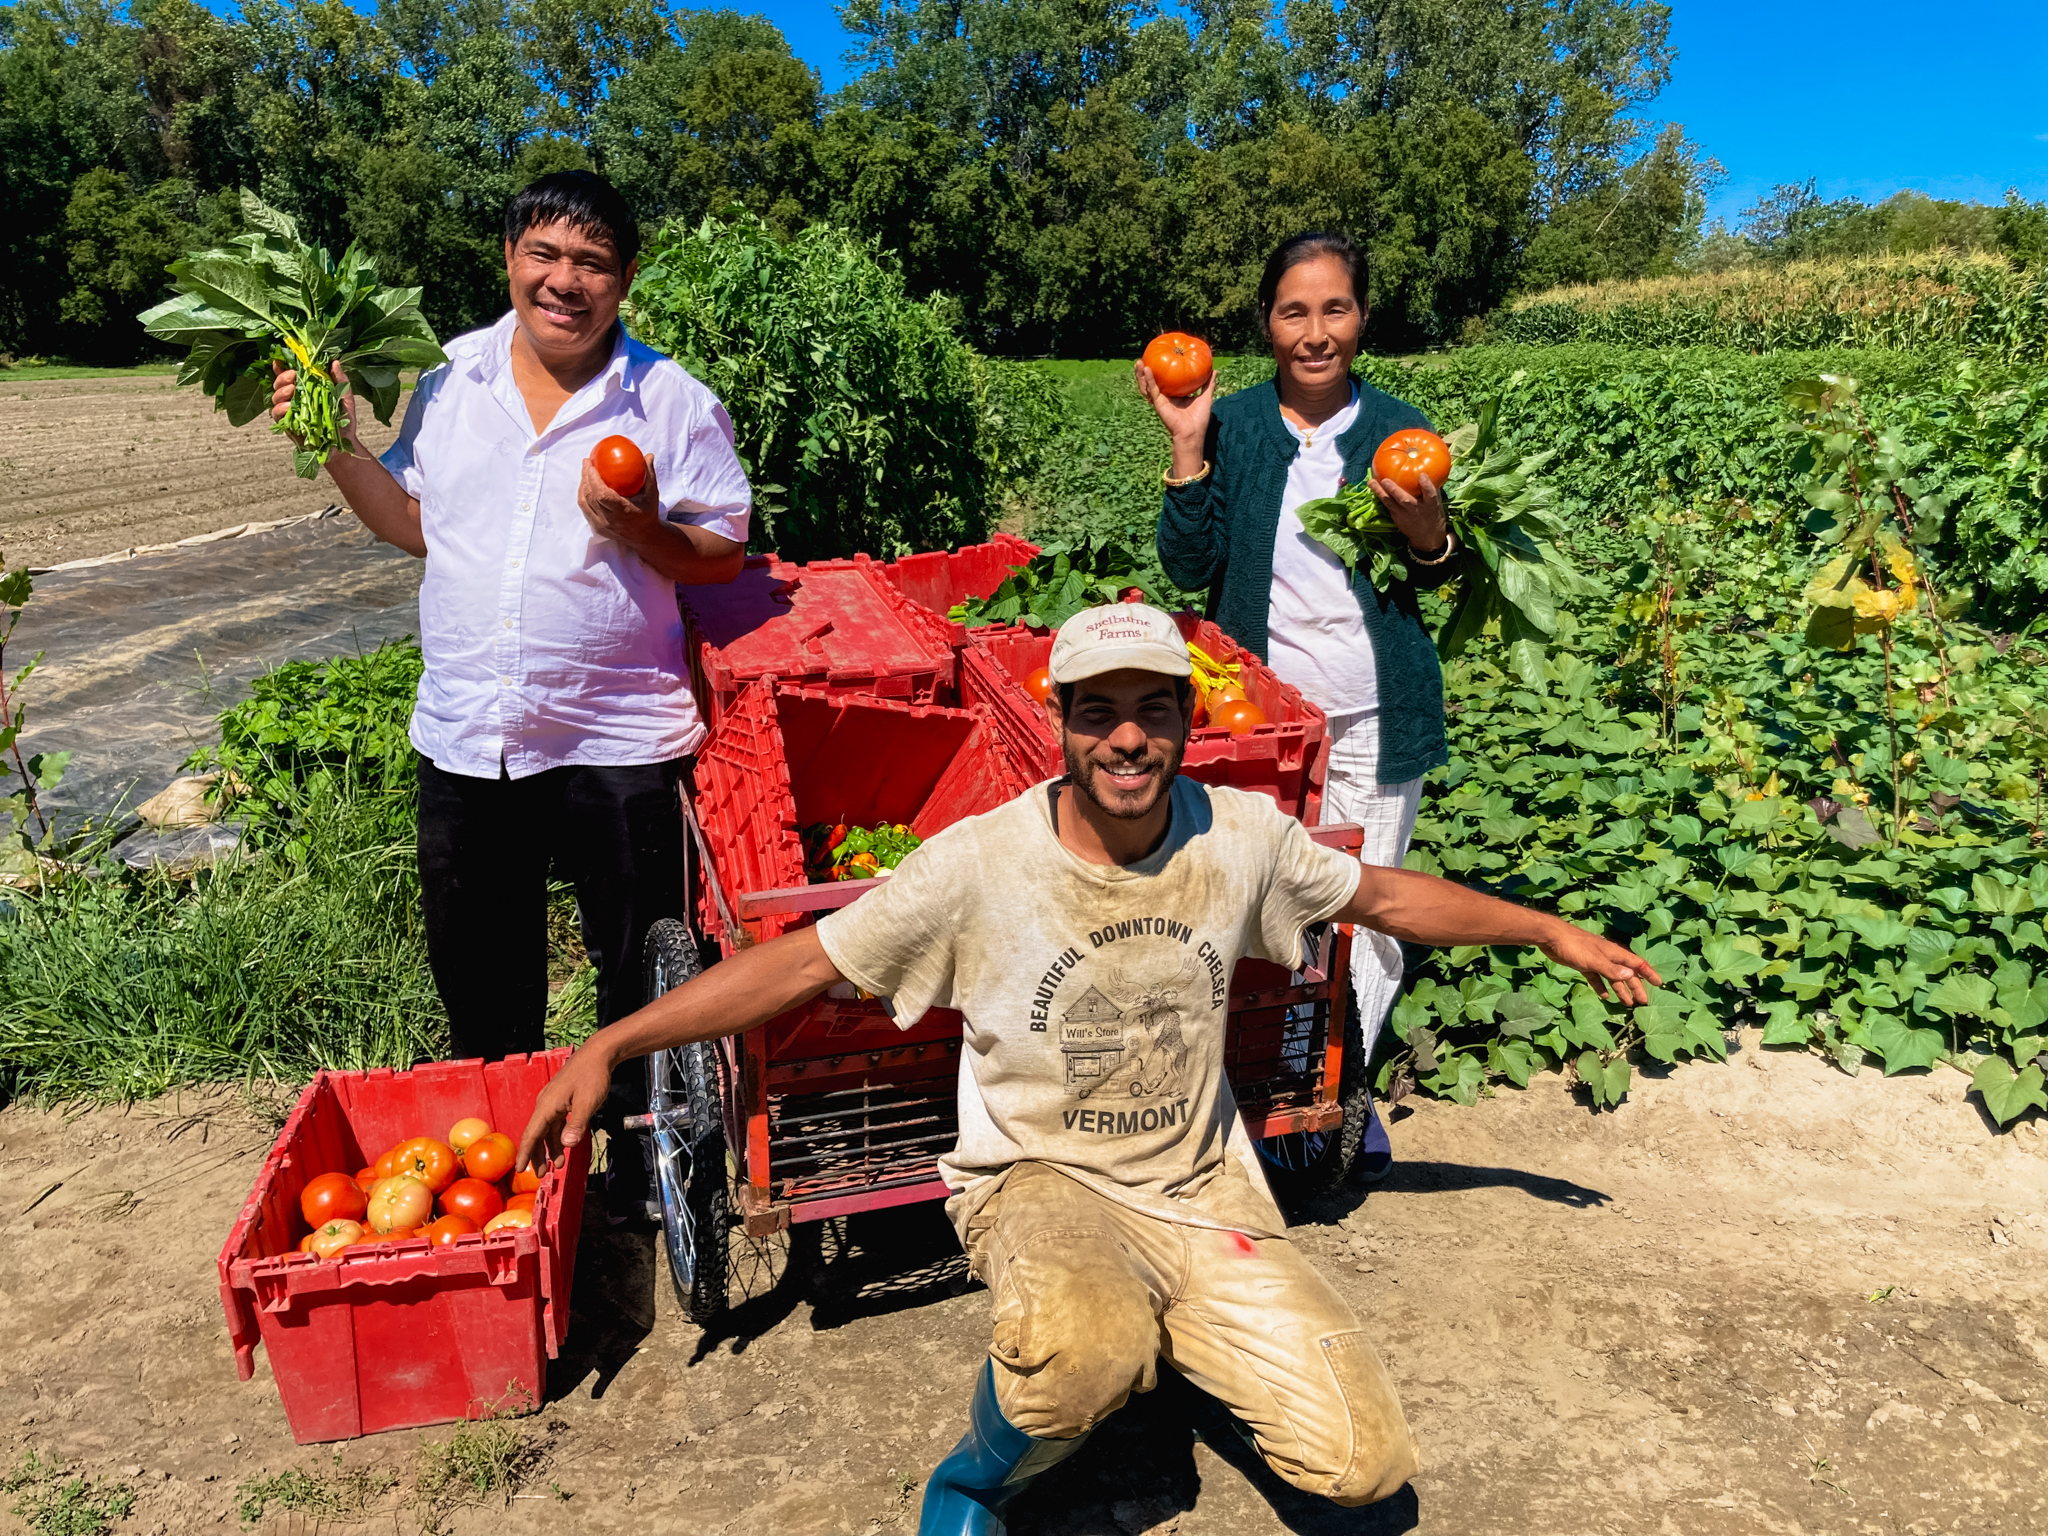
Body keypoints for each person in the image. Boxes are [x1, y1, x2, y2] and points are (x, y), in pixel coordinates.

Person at [515, 602, 1659, 1533]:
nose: (1126, 738)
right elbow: (804, 962)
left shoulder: (1239, 835)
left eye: (1151, 711)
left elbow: (1384, 895)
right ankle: (974, 1478)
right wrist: (614, 1042)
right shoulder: (978, 864)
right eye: (1098, 712)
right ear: (1060, 723)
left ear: (1180, 720)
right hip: (1037, 1179)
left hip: (1201, 1192)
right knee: (1079, 1356)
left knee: (1360, 1472)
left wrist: (1545, 928)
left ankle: (1166, 1334)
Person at [267, 171, 751, 1083]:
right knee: (482, 984)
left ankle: (644, 1170)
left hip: (619, 738)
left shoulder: (672, 401)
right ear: (510, 259)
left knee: (643, 980)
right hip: (469, 737)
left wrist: (642, 530)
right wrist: (330, 440)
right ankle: (517, 1169)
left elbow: (722, 551)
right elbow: (417, 524)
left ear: (627, 277)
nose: (565, 280)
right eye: (545, 254)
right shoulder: (453, 380)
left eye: (593, 262)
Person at [1142, 230, 1456, 1182]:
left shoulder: (1402, 426)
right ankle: (1250, 1084)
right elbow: (1189, 570)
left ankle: (1338, 1091)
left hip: (1374, 709)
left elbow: (1437, 572)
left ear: (1361, 317)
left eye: (1335, 309)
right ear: (1267, 324)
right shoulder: (1231, 424)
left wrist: (1427, 527)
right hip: (1262, 724)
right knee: (1254, 904)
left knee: (1367, 904)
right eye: (1294, 311)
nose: (1316, 332)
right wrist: (1188, 449)